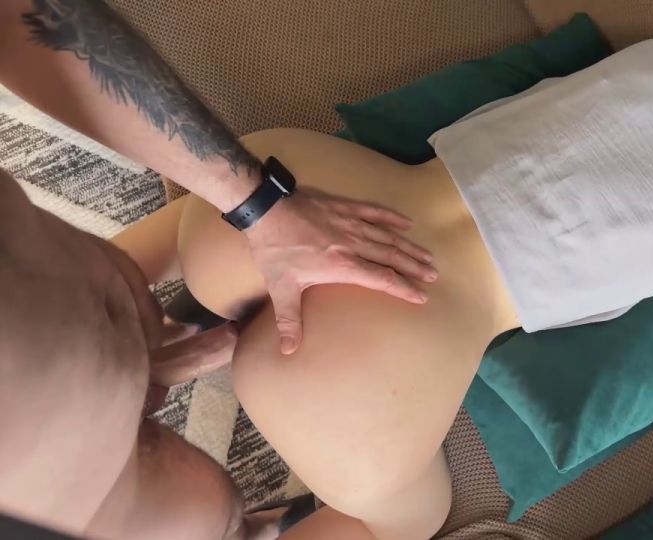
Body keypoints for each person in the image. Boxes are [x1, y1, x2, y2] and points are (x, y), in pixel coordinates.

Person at [112, 20, 653, 540]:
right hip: (380, 358)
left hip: (311, 197)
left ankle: (120, 290)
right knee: (412, 520)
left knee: (196, 228)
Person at [0, 0, 436, 538]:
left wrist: (257, 205)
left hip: (91, 390)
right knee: (396, 520)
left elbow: (23, 18)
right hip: (104, 486)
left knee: (399, 513)